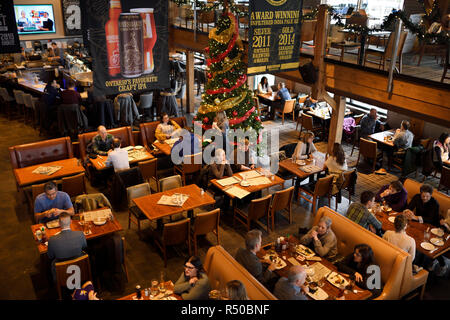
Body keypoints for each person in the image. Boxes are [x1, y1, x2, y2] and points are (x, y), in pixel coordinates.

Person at [47, 212, 87, 280]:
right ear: (71, 222)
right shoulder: (80, 234)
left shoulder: (52, 240)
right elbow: (84, 247)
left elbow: (50, 256)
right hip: (80, 270)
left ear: (59, 223)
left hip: (62, 275)